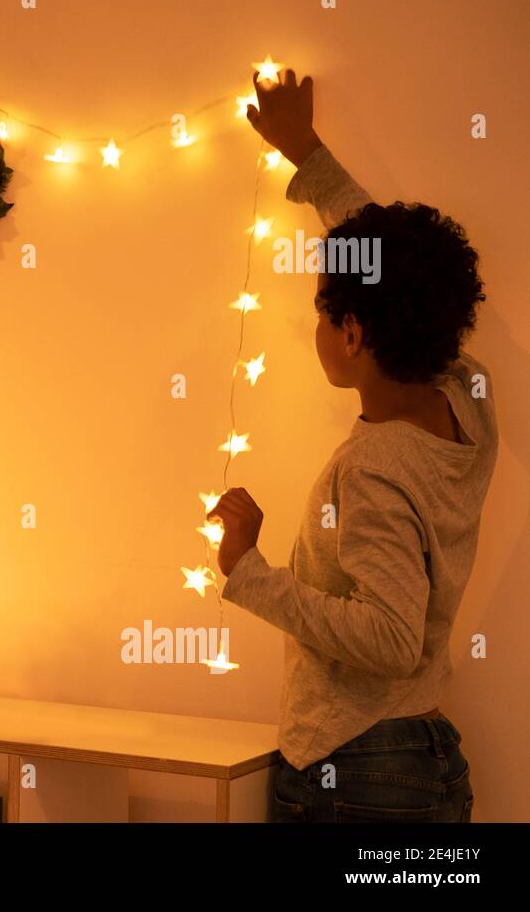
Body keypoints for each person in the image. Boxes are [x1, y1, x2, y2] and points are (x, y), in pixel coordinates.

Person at [210, 69, 495, 822]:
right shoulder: (470, 401)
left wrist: (250, 572)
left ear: (353, 332)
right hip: (418, 758)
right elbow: (397, 265)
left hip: (355, 768)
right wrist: (307, 155)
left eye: (321, 313)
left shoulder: (374, 467)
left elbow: (393, 637)